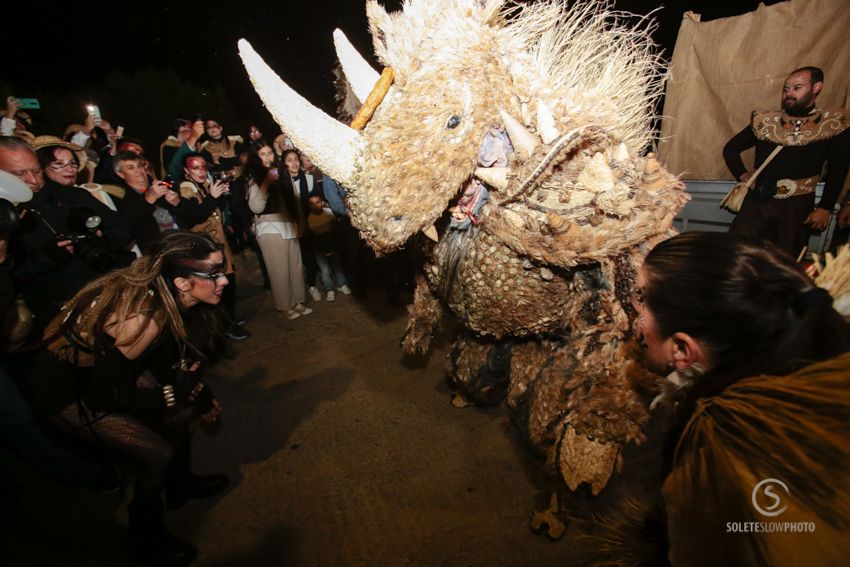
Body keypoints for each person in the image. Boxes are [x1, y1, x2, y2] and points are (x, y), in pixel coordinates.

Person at [632, 231, 850, 566]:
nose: (633, 311)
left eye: (640, 299)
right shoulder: (808, 335)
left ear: (681, 349)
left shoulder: (722, 458)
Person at [27, 230, 230, 564]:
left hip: (103, 371)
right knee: (155, 453)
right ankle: (145, 538)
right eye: (213, 274)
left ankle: (180, 487)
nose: (223, 280)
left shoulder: (165, 293)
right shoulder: (144, 318)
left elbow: (167, 360)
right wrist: (170, 393)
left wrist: (197, 394)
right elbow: (105, 395)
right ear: (181, 283)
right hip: (67, 390)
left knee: (179, 414)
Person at [1, 136, 132, 334]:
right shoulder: (4, 217)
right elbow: (9, 283)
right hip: (65, 310)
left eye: (36, 170)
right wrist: (46, 257)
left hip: (112, 286)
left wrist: (100, 241)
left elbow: (122, 228)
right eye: (20, 174)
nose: (34, 180)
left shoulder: (73, 195)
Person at [723, 66, 850, 258]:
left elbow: (839, 168)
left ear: (817, 87)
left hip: (796, 208)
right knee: (738, 254)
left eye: (797, 87)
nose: (789, 93)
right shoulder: (765, 122)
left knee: (785, 261)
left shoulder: (832, 124)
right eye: (786, 89)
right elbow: (730, 149)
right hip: (757, 202)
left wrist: (825, 207)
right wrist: (743, 175)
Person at [175, 153, 249, 340]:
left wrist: (222, 195)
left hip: (219, 244)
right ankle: (224, 326)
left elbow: (216, 209)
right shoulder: (185, 189)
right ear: (186, 171)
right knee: (215, 288)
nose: (201, 171)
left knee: (229, 282)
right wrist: (212, 197)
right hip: (204, 250)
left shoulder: (206, 184)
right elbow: (195, 217)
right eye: (195, 167)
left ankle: (229, 318)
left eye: (203, 167)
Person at [246, 145, 312, 319]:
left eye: (269, 153)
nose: (267, 157)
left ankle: (297, 300)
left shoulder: (283, 175)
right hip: (270, 228)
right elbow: (255, 207)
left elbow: (295, 201)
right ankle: (285, 305)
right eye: (262, 154)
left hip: (289, 225)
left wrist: (301, 223)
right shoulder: (255, 179)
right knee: (279, 270)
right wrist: (266, 183)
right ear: (257, 158)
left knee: (295, 267)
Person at [280, 149, 321, 302]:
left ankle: (312, 286)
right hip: (289, 226)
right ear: (284, 163)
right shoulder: (281, 183)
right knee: (296, 261)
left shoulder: (309, 179)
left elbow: (317, 201)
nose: (294, 163)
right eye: (289, 160)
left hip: (309, 224)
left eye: (296, 159)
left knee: (311, 257)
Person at [306, 194, 350, 301]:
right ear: (308, 206)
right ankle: (329, 290)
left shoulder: (329, 213)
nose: (315, 205)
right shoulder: (309, 219)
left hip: (333, 245)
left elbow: (335, 230)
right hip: (319, 249)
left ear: (322, 202)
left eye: (317, 202)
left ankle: (341, 284)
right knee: (325, 270)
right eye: (312, 204)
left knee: (338, 267)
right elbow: (311, 238)